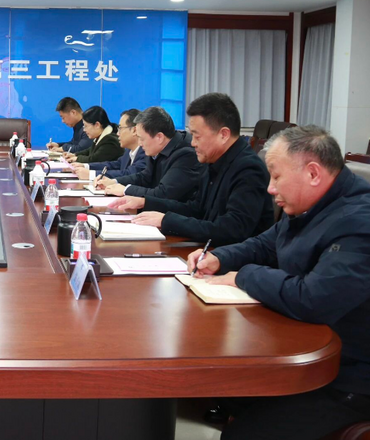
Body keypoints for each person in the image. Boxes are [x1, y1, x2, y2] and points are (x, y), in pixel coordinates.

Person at [188, 126, 370, 440]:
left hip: (349, 376)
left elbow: (314, 298)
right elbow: (266, 243)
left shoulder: (358, 222)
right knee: (217, 386)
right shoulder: (310, 203)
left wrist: (243, 276)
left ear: (313, 173)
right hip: (304, 351)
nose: (271, 189)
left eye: (276, 176)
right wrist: (220, 258)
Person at [109, 93, 274, 246]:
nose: (193, 143)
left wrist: (167, 221)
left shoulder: (248, 169)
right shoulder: (213, 160)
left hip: (232, 259)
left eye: (197, 136)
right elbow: (196, 208)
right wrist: (145, 202)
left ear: (223, 135)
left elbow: (231, 230)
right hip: (210, 249)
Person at [96, 106, 203, 200]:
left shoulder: (186, 155)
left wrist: (125, 190)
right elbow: (144, 177)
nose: (139, 143)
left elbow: (163, 193)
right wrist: (114, 182)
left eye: (142, 139)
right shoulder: (157, 148)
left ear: (159, 137)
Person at [71, 108, 146, 181]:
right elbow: (115, 165)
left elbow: (128, 174)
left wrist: (91, 174)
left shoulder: (145, 153)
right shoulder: (129, 151)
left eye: (120, 128)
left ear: (134, 130)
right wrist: (86, 166)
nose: (117, 133)